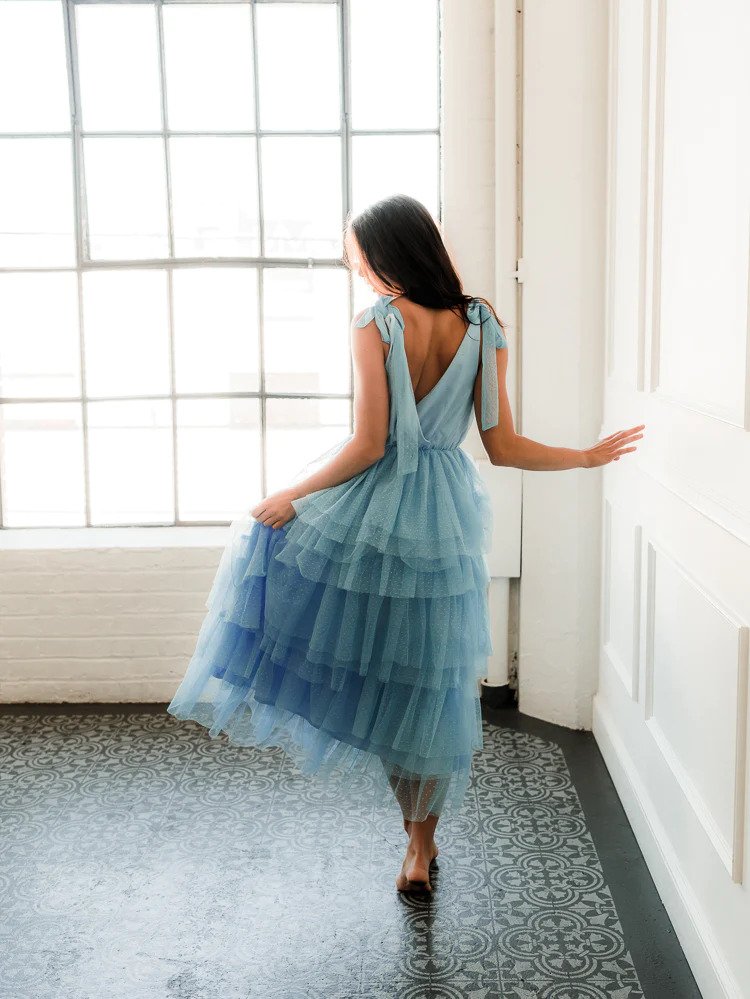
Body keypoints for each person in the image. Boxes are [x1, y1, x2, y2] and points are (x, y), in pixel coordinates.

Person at [166, 194, 644, 894]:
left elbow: (366, 445)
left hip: (376, 505)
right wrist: (583, 456)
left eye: (355, 251)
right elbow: (502, 444)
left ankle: (411, 850)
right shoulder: (482, 322)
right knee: (431, 685)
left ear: (384, 253)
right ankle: (422, 848)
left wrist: (293, 495)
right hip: (443, 517)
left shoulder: (376, 323)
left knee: (380, 678)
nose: (352, 263)